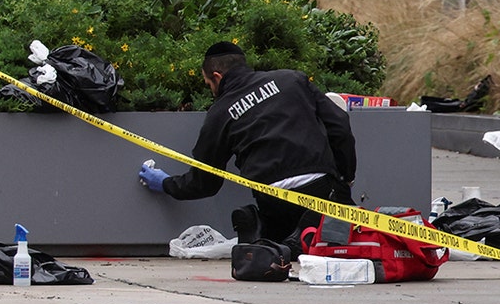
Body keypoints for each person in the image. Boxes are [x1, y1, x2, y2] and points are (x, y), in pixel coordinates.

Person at [137, 42, 357, 254]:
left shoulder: (220, 113)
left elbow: (205, 182)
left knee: (277, 243)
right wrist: (345, 176)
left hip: (273, 198)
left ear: (217, 77)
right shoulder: (292, 79)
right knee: (355, 236)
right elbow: (339, 126)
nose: (212, 91)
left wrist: (166, 183)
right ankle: (304, 232)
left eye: (209, 85)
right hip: (321, 188)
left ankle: (263, 232)